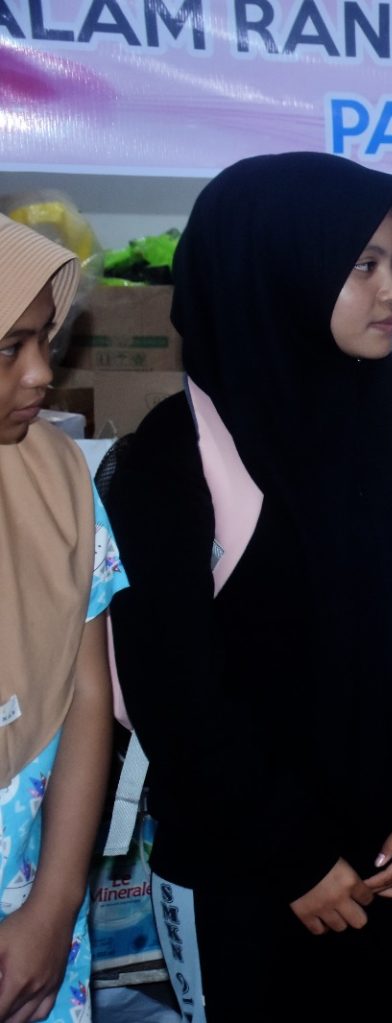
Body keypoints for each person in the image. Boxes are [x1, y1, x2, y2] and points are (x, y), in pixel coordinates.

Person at [102, 153, 392, 1020]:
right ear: (274, 268)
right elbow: (171, 687)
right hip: (245, 868)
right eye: (362, 265)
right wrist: (288, 852)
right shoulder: (177, 452)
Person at [0, 217, 121, 1023]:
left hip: (32, 905)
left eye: (45, 338)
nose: (43, 371)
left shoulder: (58, 479)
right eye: (10, 347)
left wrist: (52, 907)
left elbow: (87, 693)